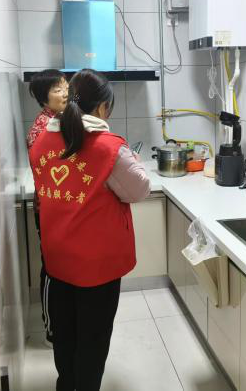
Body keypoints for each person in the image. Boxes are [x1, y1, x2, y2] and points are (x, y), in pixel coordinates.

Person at [30, 69, 150, 391]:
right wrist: (134, 161)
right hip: (97, 263)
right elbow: (139, 190)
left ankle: (66, 384)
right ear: (101, 108)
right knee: (93, 339)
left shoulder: (42, 140)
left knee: (65, 333)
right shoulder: (107, 147)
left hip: (58, 256)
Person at [26, 69, 69, 346]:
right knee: (53, 269)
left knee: (63, 267)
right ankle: (52, 328)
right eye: (57, 89)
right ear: (44, 98)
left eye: (65, 86)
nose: (64, 93)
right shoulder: (42, 128)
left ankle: (63, 323)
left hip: (65, 208)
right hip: (49, 209)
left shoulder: (63, 120)